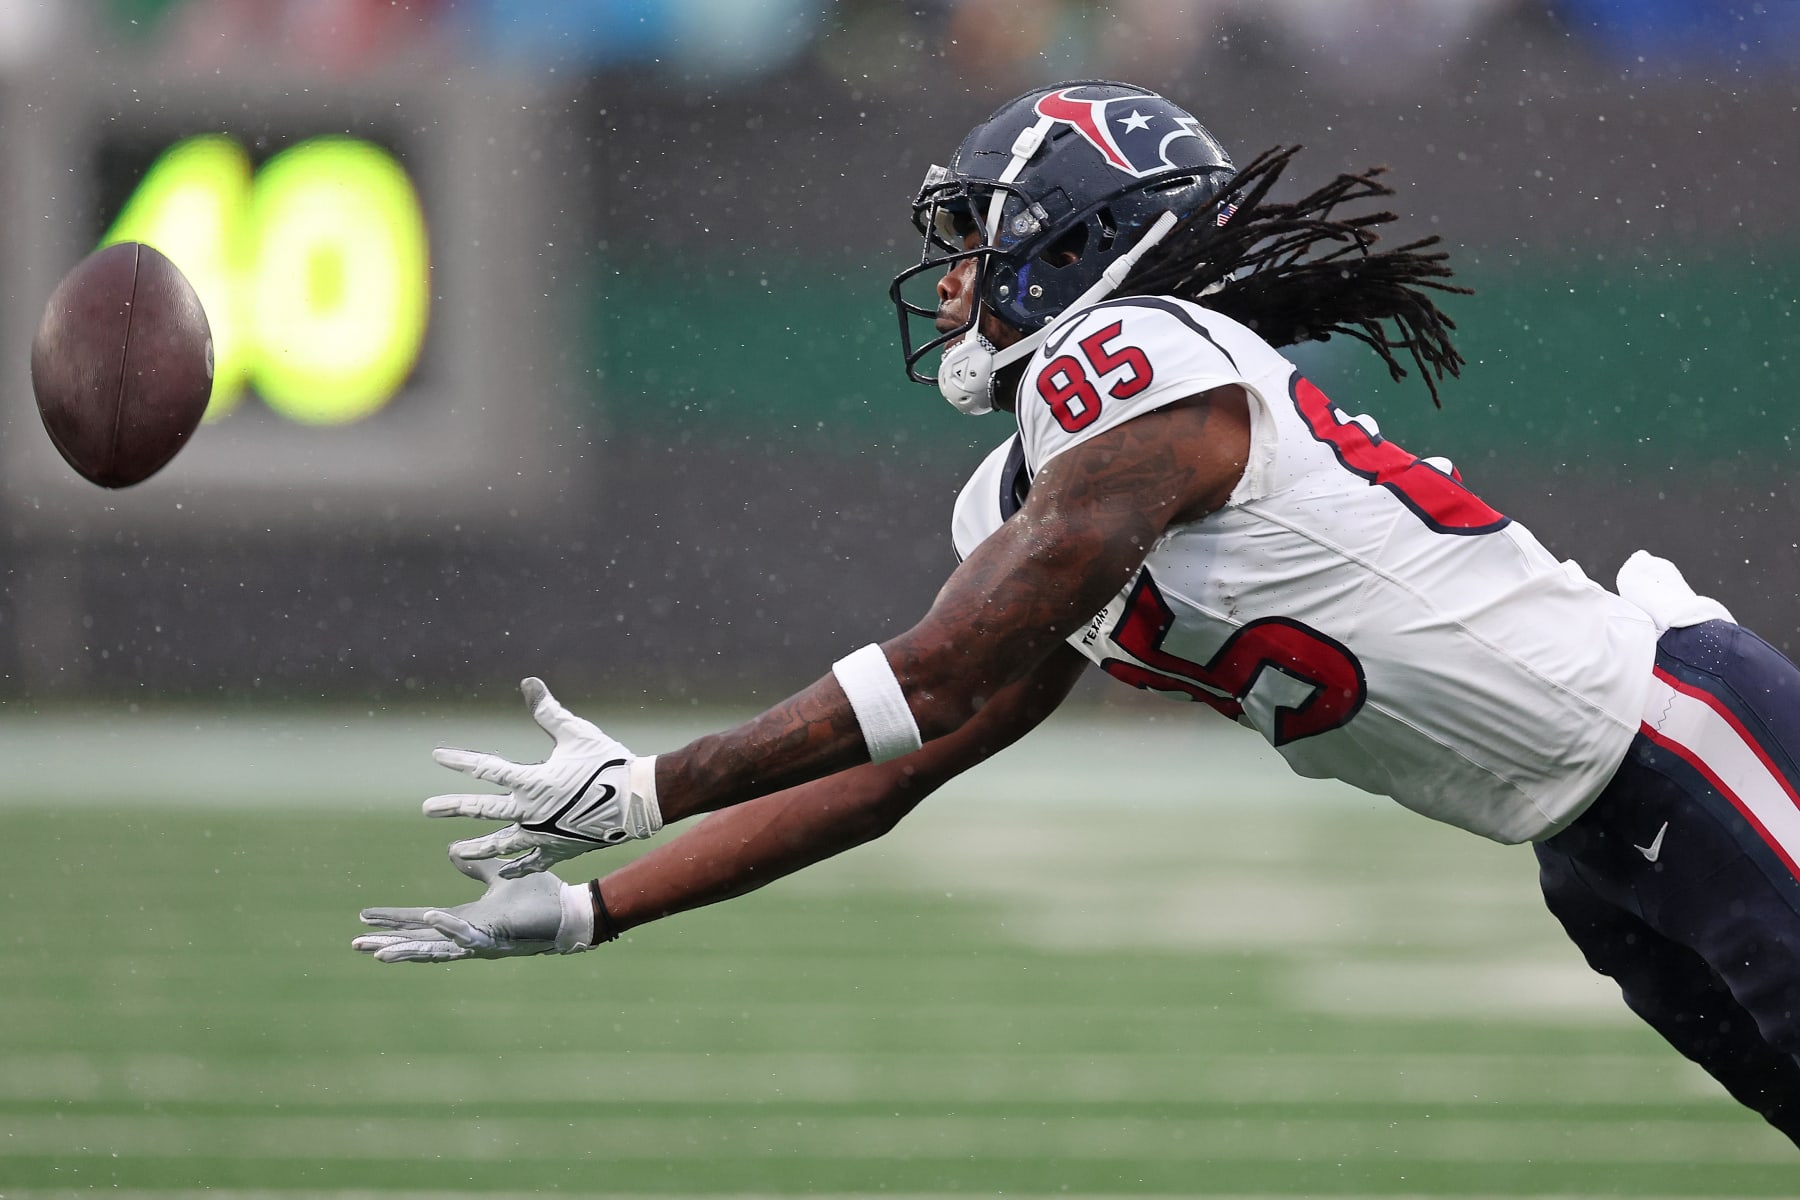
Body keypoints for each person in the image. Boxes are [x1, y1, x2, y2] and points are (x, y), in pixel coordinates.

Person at [352, 80, 1800, 1146]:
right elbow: (893, 772)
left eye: (979, 238)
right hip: (1586, 840)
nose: (956, 277)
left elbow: (947, 665)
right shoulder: (1020, 494)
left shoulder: (1132, 354)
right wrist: (601, 908)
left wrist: (652, 785)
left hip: (1680, 737)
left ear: (1071, 238)